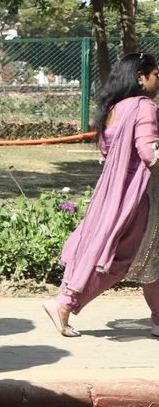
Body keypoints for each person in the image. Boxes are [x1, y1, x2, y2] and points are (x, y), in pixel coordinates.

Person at [47, 53, 159, 339]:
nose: (158, 81)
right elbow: (150, 153)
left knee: (147, 256)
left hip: (113, 193)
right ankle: (65, 302)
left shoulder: (114, 108)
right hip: (139, 197)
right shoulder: (144, 106)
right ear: (141, 77)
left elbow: (108, 151)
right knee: (122, 257)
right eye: (156, 75)